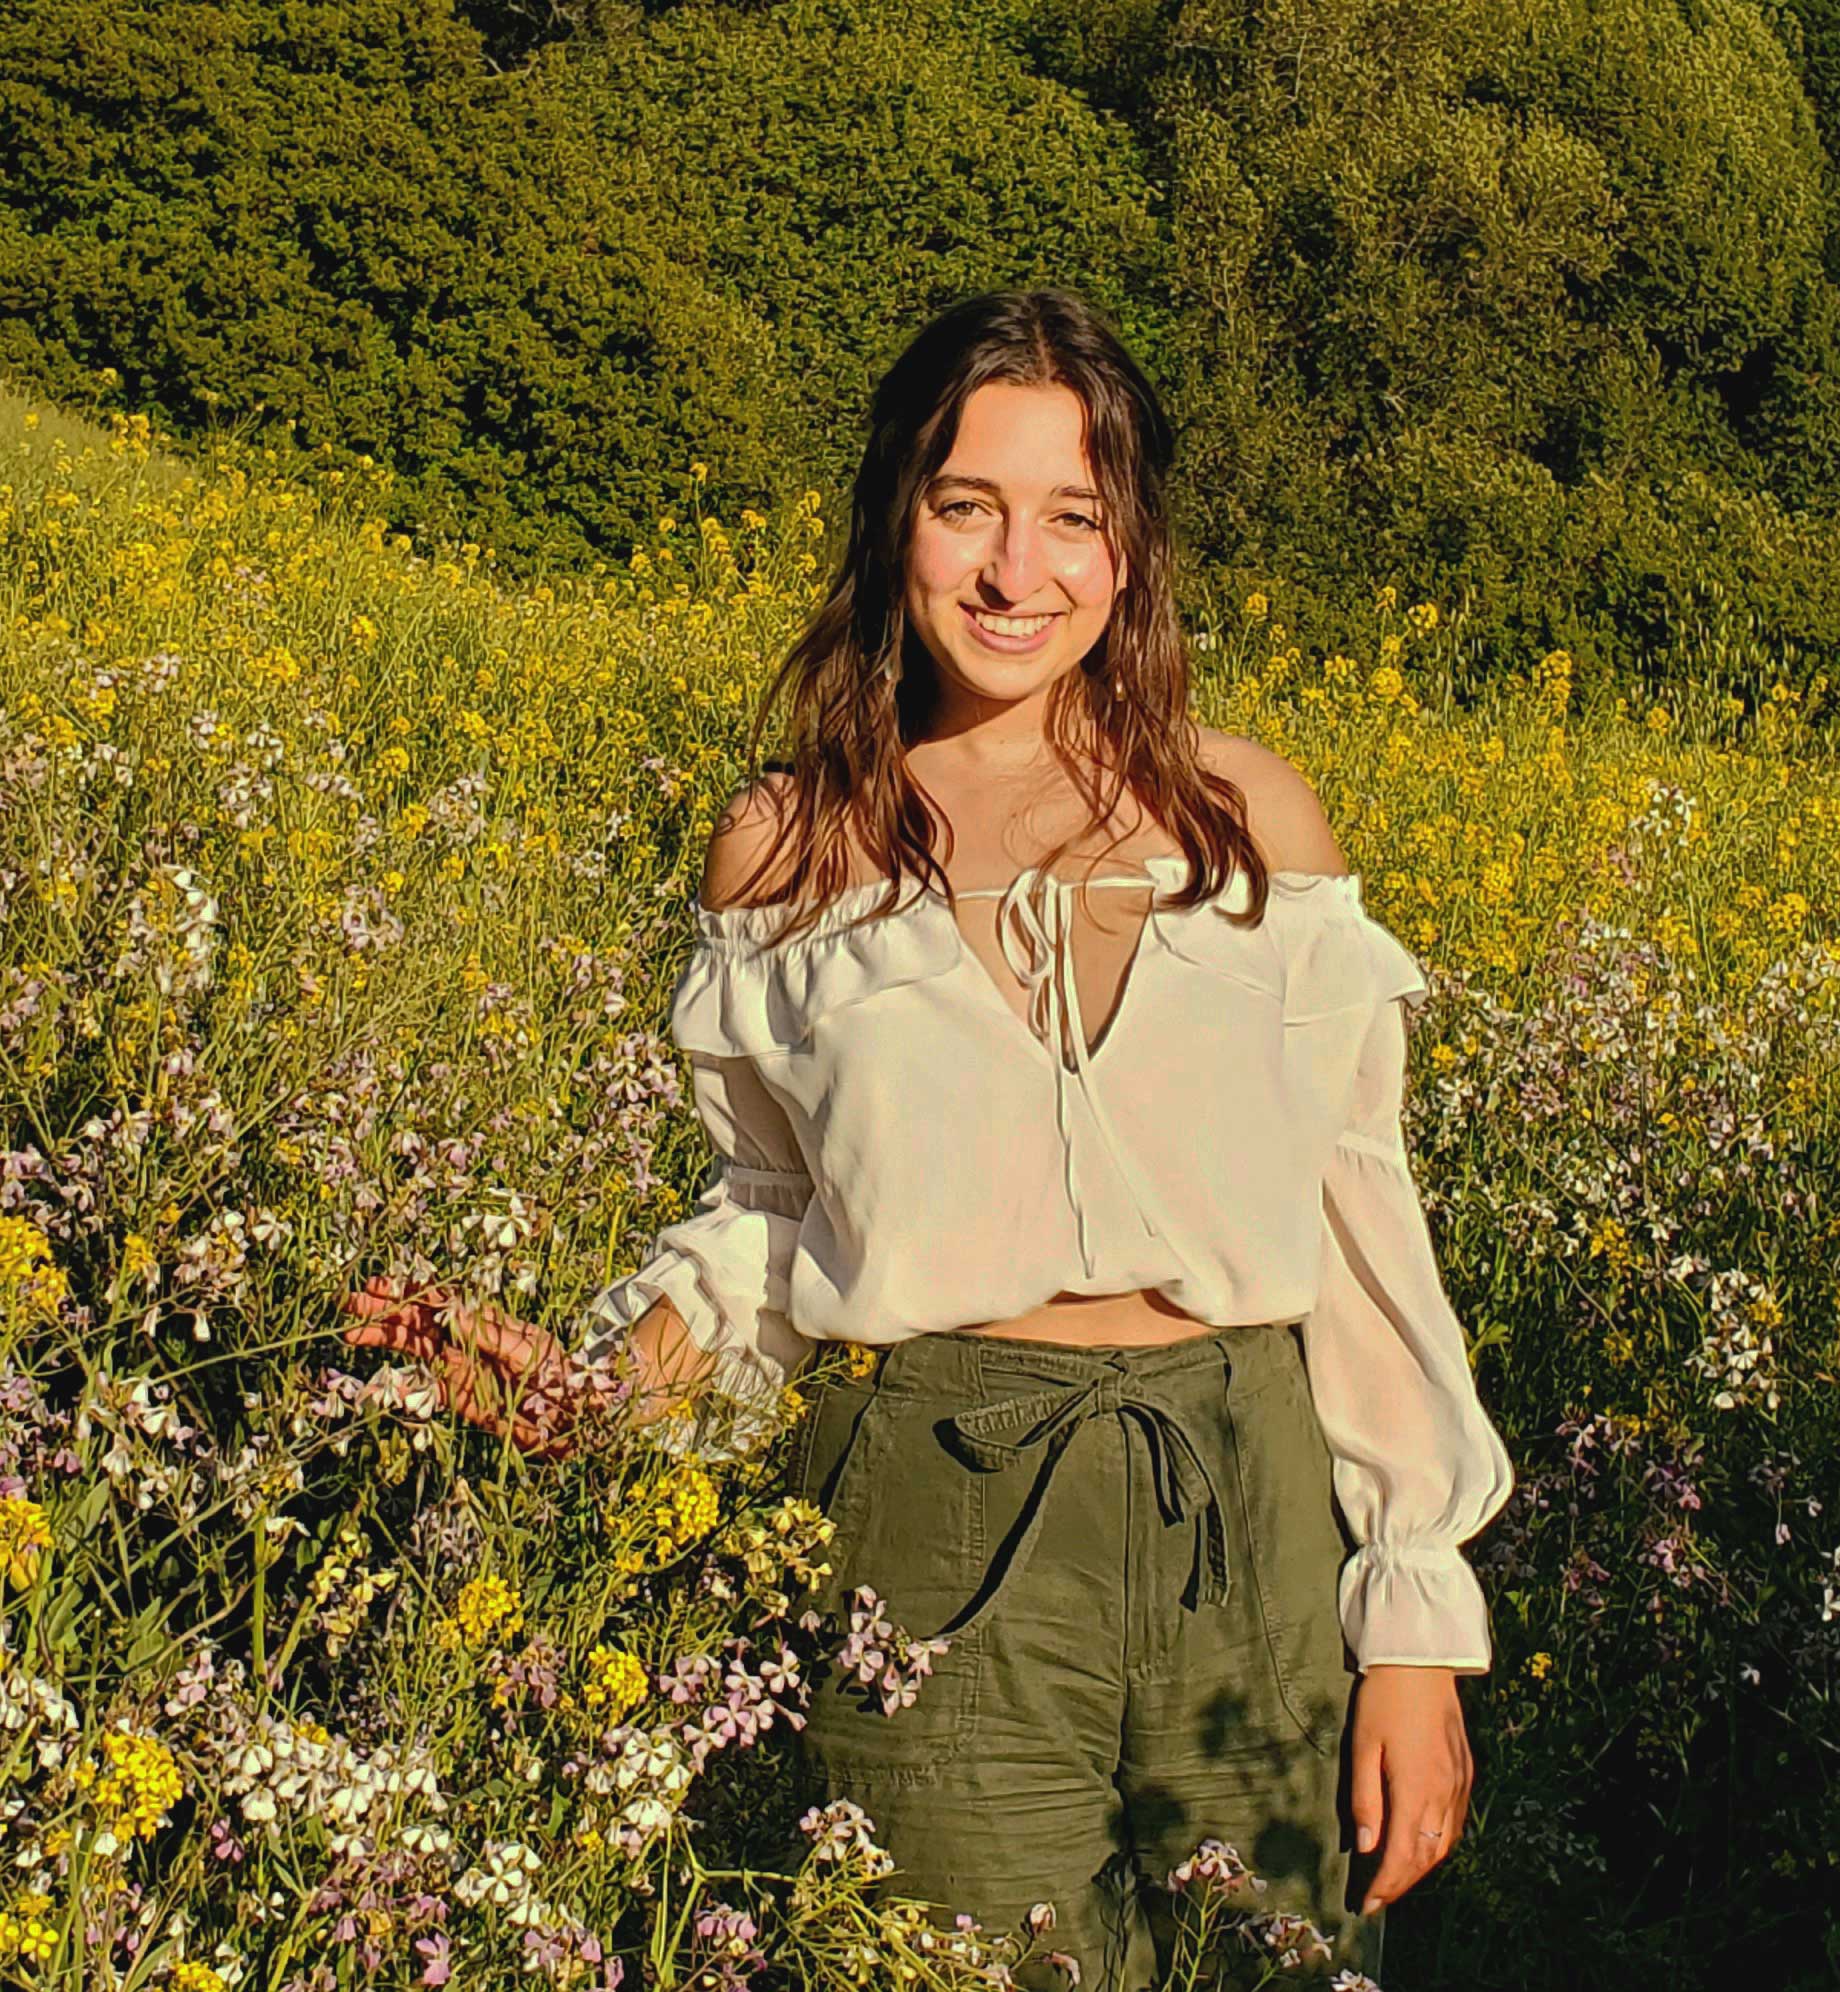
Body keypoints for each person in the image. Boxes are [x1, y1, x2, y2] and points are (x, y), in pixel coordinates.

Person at [341, 288, 1515, 1990]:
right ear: (899, 516)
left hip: (1244, 1501)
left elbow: (1356, 1228)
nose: (1013, 570)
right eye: (967, 505)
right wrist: (597, 1389)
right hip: (932, 1518)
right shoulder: (787, 848)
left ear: (1132, 554)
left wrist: (1413, 1626)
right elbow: (773, 1224)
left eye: (1072, 518)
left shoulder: (1252, 815)